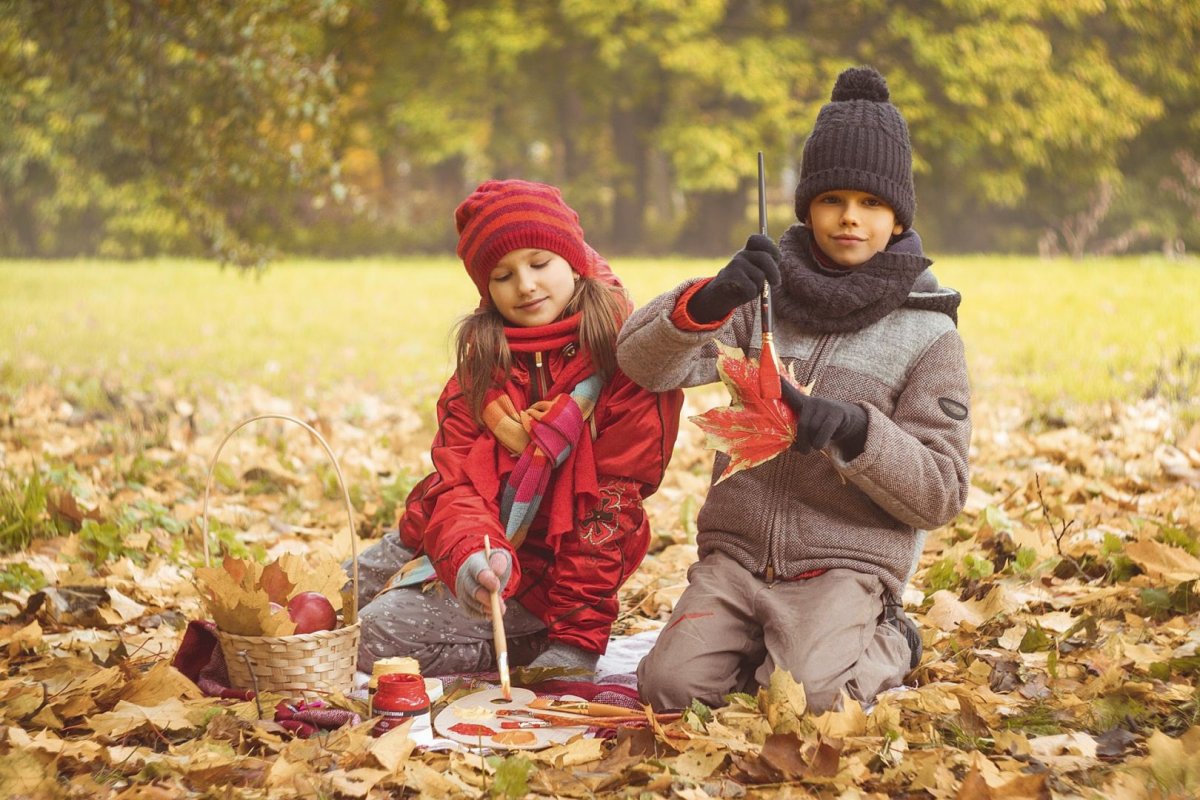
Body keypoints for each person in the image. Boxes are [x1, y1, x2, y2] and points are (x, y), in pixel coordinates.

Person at [616, 66, 971, 713]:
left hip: (843, 566)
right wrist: (708, 300)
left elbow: (941, 491)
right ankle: (762, 646)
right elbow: (642, 364)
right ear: (807, 207)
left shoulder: (929, 335)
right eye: (832, 199)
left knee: (808, 700)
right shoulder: (760, 299)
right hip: (736, 558)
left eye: (871, 203)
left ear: (898, 218)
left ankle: (892, 638)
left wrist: (855, 431)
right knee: (668, 691)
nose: (850, 217)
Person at [353, 179, 683, 678]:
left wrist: (575, 642)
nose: (525, 285)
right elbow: (458, 484)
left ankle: (530, 641)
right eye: (503, 275)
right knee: (323, 600)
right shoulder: (482, 368)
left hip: (552, 573)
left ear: (574, 261)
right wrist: (472, 554)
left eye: (540, 262)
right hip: (457, 539)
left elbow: (608, 516)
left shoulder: (625, 362)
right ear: (486, 290)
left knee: (371, 632)